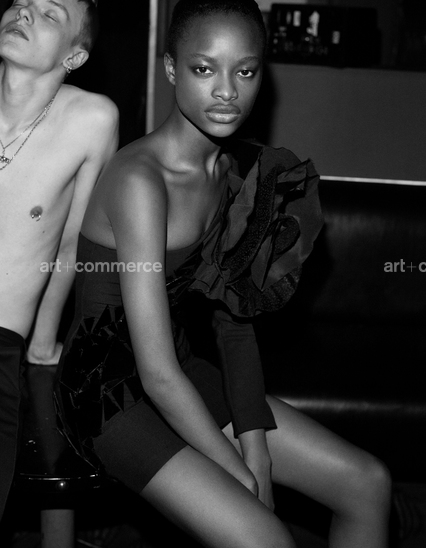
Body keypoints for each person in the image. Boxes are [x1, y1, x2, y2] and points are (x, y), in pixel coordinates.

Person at [56, 1, 391, 547]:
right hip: (107, 393)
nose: (227, 91)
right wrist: (239, 474)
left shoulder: (232, 172)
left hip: (179, 369)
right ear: (171, 69)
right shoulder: (140, 180)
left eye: (246, 71)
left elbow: (233, 325)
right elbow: (155, 372)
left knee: (367, 483)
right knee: (267, 538)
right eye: (204, 68)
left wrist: (257, 449)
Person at [0, 0, 118, 520]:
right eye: (20, 2)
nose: (24, 13)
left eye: (49, 14)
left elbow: (73, 244)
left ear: (75, 56)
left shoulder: (91, 120)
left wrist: (42, 345)